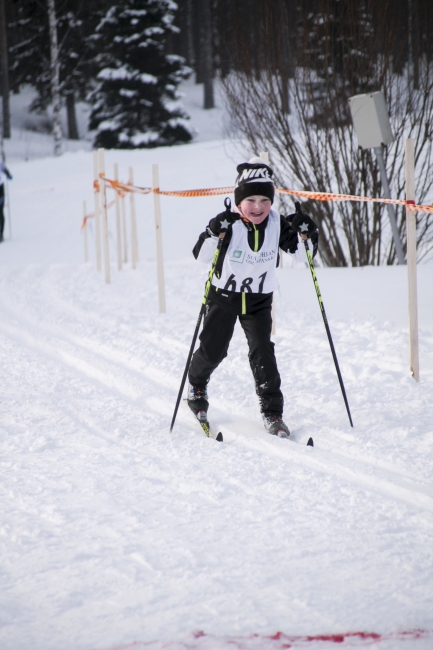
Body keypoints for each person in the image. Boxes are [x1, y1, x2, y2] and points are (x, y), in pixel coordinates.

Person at [187, 157, 319, 438]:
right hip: (224, 296)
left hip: (259, 299)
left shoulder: (277, 225)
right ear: (238, 201)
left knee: (263, 351)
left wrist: (308, 234)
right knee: (214, 349)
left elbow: (303, 257)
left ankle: (272, 412)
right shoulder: (228, 224)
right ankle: (196, 385)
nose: (258, 207)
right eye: (250, 200)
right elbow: (200, 256)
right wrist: (212, 231)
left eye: (264, 200)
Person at [0, 161, 12, 243]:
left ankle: (1, 235)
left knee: (0, 212)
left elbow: (4, 168)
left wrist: (8, 174)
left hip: (0, 189)